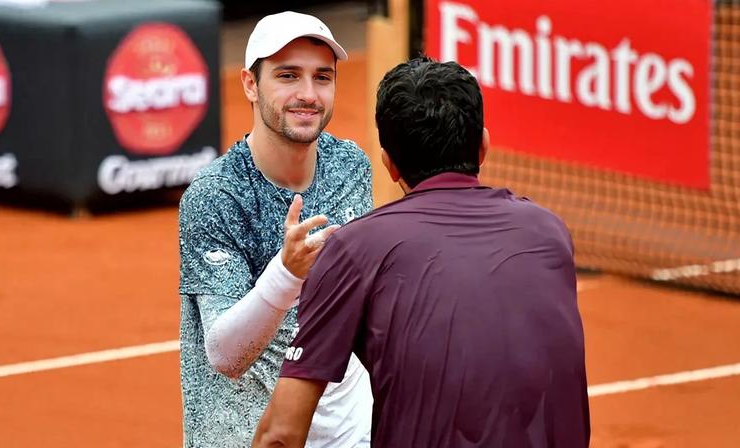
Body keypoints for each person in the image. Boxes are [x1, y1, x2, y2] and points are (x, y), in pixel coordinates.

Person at [253, 57, 591, 447]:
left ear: (390, 164)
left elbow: (279, 436)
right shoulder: (549, 232)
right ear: (483, 146)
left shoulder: (353, 248)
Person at [178, 11, 373, 448]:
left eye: (322, 77)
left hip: (348, 435)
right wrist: (287, 273)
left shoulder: (351, 167)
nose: (308, 94)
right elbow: (225, 355)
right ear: (250, 83)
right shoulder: (216, 196)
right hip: (246, 435)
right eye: (288, 76)